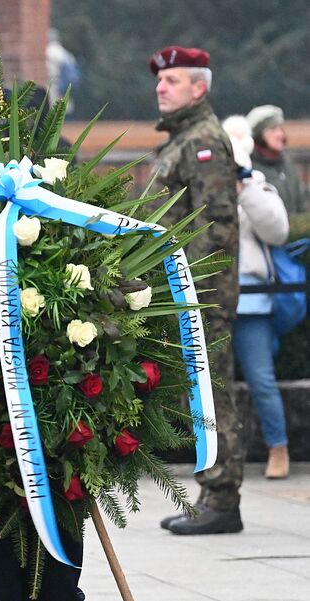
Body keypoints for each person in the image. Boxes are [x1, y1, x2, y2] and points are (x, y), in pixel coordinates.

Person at [149, 46, 243, 535]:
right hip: (186, 292)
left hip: (201, 292)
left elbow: (216, 226)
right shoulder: (183, 140)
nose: (161, 87)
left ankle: (222, 500)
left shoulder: (203, 141)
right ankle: (211, 494)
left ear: (199, 88)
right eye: (161, 80)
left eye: (174, 80)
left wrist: (195, 292)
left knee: (214, 394)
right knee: (200, 395)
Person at [223, 115, 291, 479]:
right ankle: (219, 454)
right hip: (211, 298)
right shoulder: (203, 189)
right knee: (212, 381)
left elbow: (277, 231)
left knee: (261, 378)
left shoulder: (258, 187)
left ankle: (278, 448)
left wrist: (245, 185)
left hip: (251, 300)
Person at [246, 105, 306, 216]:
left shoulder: (287, 163)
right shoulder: (249, 169)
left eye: (280, 128)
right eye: (273, 129)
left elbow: (301, 205)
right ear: (259, 134)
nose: (280, 134)